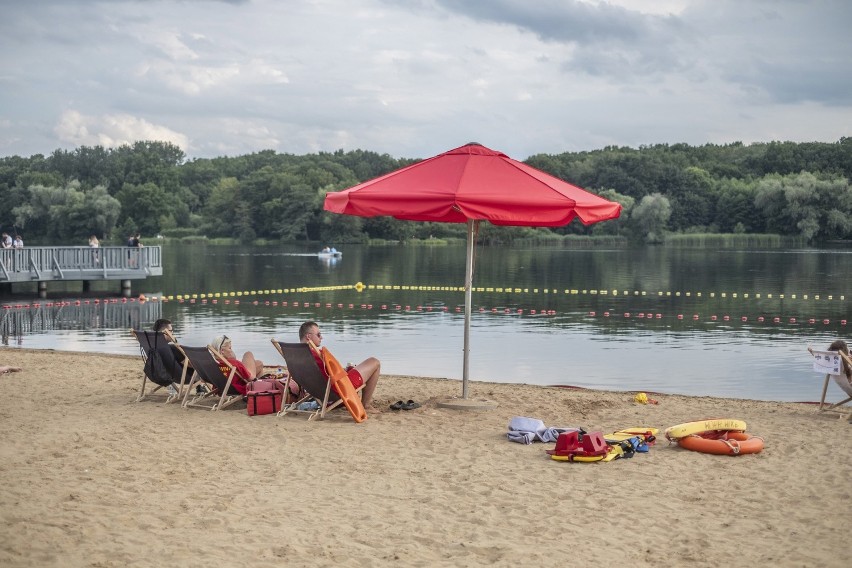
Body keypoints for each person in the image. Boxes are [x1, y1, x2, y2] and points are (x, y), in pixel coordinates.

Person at [298, 320, 381, 407]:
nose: (321, 337)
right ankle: (366, 405)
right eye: (318, 335)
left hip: (320, 392)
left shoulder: (296, 355)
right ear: (308, 336)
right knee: (374, 362)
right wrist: (349, 369)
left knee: (353, 368)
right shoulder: (317, 354)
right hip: (338, 389)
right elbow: (337, 372)